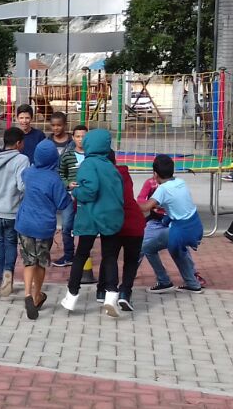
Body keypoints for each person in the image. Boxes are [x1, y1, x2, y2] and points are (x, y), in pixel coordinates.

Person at [60, 129, 124, 317]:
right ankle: (111, 295)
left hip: (90, 216)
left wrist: (76, 193)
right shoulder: (111, 167)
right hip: (111, 216)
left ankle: (72, 295)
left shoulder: (88, 164)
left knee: (81, 255)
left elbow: (90, 190)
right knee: (110, 257)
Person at [17, 141, 71, 319]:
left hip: (24, 222)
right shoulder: (54, 179)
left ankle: (26, 294)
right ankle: (36, 294)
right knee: (40, 262)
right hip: (43, 226)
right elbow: (63, 203)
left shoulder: (28, 173)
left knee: (28, 261)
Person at [139, 154, 203, 293]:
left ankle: (164, 281)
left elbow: (145, 207)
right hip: (195, 226)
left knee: (148, 248)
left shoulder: (162, 189)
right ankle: (193, 284)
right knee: (178, 252)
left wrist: (125, 201)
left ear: (155, 174)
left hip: (181, 231)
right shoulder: (181, 182)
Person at [0, 127, 28, 298]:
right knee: (11, 242)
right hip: (12, 210)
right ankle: (8, 273)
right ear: (18, 143)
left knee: (0, 242)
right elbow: (22, 186)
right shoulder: (22, 159)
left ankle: (0, 278)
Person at [111, 152, 146, 313]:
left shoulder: (102, 176)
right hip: (135, 223)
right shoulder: (124, 173)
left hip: (116, 223)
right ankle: (125, 292)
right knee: (130, 261)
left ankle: (110, 293)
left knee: (110, 258)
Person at [53, 124, 88, 267]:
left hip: (87, 198)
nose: (81, 140)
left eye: (84, 136)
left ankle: (84, 255)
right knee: (67, 226)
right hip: (70, 197)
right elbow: (60, 174)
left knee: (88, 228)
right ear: (73, 138)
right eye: (78, 136)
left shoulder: (92, 155)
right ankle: (69, 255)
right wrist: (67, 184)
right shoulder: (67, 156)